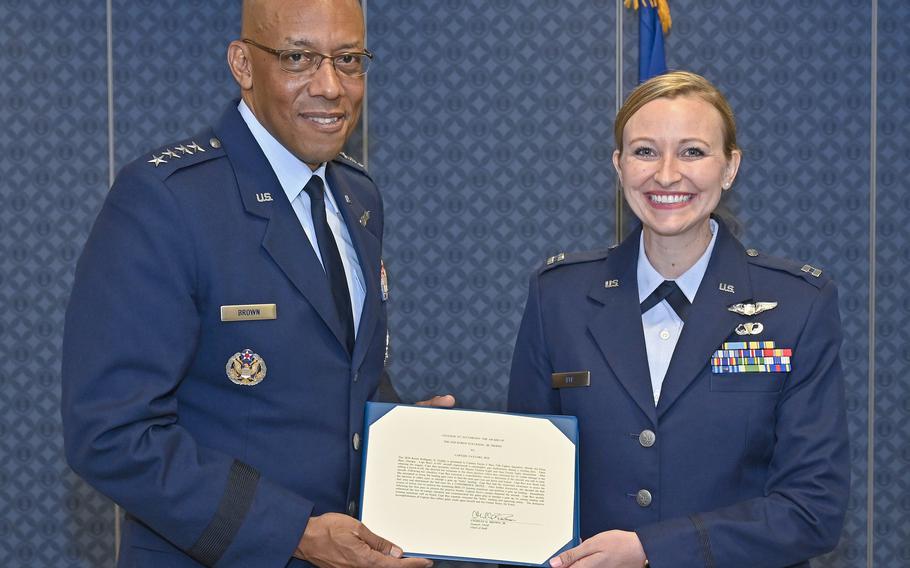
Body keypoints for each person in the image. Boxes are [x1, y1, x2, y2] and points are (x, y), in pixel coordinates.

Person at [62, 1, 452, 566]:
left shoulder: (357, 196)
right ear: (243, 65)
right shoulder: (166, 200)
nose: (330, 87)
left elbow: (339, 372)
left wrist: (405, 439)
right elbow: (111, 433)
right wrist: (294, 532)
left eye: (348, 60)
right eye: (298, 58)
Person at [508, 71, 848, 568]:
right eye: (645, 151)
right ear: (619, 166)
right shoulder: (557, 297)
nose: (667, 175)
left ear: (730, 167)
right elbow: (526, 482)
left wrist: (653, 550)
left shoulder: (798, 305)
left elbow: (812, 510)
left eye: (692, 152)